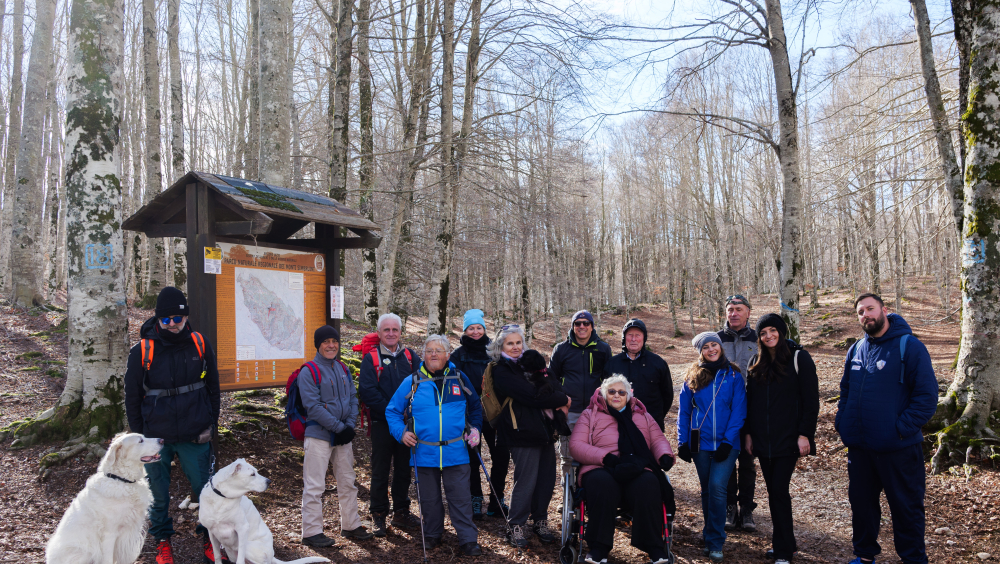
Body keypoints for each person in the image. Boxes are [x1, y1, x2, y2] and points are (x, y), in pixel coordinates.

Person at [836, 294, 937, 564]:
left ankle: (913, 559)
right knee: (862, 507)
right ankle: (864, 555)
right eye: (860, 312)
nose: (865, 315)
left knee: (906, 509)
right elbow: (845, 390)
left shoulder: (910, 347)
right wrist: (843, 422)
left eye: (870, 309)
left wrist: (899, 429)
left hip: (898, 448)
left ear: (884, 310)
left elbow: (927, 397)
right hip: (860, 447)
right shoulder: (856, 349)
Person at [123, 287, 222, 564]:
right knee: (157, 493)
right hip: (156, 437)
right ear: (157, 319)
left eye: (178, 319)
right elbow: (132, 397)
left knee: (205, 490)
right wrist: (140, 435)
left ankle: (209, 538)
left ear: (185, 317)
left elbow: (213, 386)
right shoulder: (142, 350)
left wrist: (211, 422)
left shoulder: (199, 343)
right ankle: (162, 541)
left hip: (195, 433)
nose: (173, 325)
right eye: (166, 320)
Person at [385, 335, 484, 556]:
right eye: (429, 350)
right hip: (424, 451)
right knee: (428, 499)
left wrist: (475, 429)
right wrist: (401, 433)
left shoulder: (459, 378)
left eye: (439, 350)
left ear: (448, 354)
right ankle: (431, 534)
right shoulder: (413, 381)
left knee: (460, 499)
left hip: (456, 450)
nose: (434, 354)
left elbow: (476, 408)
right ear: (423, 354)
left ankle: (468, 540)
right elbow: (391, 411)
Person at [569, 375, 676, 564]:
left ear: (628, 395)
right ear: (603, 393)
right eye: (611, 391)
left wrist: (664, 455)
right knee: (602, 484)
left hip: (635, 465)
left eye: (621, 392)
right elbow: (576, 445)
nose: (616, 395)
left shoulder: (641, 414)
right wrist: (605, 457)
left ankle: (654, 547)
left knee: (649, 483)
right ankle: (598, 548)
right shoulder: (590, 414)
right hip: (600, 465)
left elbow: (658, 439)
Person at [743, 314, 819, 564]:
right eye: (763, 333)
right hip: (762, 441)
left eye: (772, 331)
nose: (768, 336)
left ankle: (783, 552)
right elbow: (750, 403)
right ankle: (787, 544)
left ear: (782, 331)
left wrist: (805, 434)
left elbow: (811, 401)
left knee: (778, 491)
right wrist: (749, 434)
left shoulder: (799, 358)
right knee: (775, 492)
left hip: (789, 440)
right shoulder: (756, 361)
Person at [491, 324, 571, 548]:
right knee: (526, 480)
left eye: (518, 342)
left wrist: (561, 396)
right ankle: (515, 525)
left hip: (545, 430)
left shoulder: (531, 362)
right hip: (520, 433)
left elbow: (556, 385)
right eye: (510, 343)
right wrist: (563, 401)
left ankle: (540, 520)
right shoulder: (501, 370)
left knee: (546, 479)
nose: (515, 347)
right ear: (501, 346)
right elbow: (533, 397)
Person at [298, 326, 373, 547]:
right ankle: (311, 532)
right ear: (318, 344)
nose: (331, 345)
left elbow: (352, 398)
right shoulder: (308, 371)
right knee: (314, 485)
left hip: (343, 436)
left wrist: (348, 426)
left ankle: (351, 525)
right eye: (326, 341)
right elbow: (313, 407)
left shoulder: (342, 368)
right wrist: (340, 428)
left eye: (334, 341)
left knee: (348, 482)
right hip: (319, 435)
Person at [676, 332, 746, 563]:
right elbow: (684, 412)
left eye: (714, 344)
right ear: (700, 351)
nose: (711, 349)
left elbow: (739, 411)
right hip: (700, 444)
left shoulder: (733, 375)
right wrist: (682, 441)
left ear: (720, 346)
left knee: (717, 487)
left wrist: (728, 441)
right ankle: (709, 536)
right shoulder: (692, 377)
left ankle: (716, 540)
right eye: (706, 347)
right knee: (707, 490)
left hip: (727, 443)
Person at [357, 313, 422, 536]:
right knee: (380, 469)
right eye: (387, 330)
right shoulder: (371, 359)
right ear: (379, 333)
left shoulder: (411, 357)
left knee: (404, 468)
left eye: (395, 330)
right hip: (382, 423)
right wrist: (391, 412)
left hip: (406, 424)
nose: (391, 333)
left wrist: (408, 413)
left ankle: (401, 510)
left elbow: (421, 385)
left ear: (401, 332)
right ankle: (378, 514)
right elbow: (367, 391)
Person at [451, 309, 511, 519]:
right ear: (465, 330)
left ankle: (497, 500)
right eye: (471, 328)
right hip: (470, 415)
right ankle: (474, 498)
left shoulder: (494, 350)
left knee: (501, 456)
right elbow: (453, 384)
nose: (475, 332)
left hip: (496, 414)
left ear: (484, 329)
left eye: (479, 328)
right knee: (472, 458)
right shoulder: (458, 355)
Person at [549, 310, 612, 473]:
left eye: (586, 323)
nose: (582, 326)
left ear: (592, 326)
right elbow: (551, 380)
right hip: (570, 412)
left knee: (595, 457)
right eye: (578, 323)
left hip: (596, 413)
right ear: (573, 326)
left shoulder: (603, 349)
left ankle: (589, 495)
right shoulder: (561, 349)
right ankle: (569, 496)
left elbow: (609, 380)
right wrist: (560, 403)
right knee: (568, 459)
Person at [717, 294, 759, 532]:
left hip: (750, 409)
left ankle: (747, 509)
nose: (733, 313)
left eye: (738, 309)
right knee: (726, 459)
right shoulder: (716, 339)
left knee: (748, 460)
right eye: (730, 309)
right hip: (724, 411)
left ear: (748, 312)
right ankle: (729, 507)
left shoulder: (758, 338)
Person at [605, 318, 674, 430]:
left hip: (651, 425)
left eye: (638, 335)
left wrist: (656, 416)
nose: (633, 339)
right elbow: (604, 395)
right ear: (624, 338)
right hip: (618, 425)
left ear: (644, 338)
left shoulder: (658, 363)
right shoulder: (612, 364)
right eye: (630, 335)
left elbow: (667, 396)